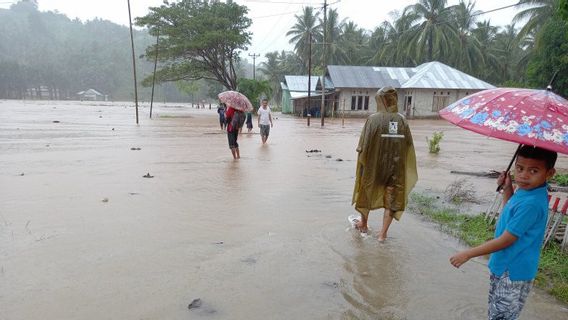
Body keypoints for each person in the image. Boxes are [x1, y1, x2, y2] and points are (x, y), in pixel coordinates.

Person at [450, 145, 557, 320]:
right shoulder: (527, 192)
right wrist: (508, 189)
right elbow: (510, 212)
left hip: (513, 269)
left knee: (501, 316)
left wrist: (468, 253)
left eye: (534, 170)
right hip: (508, 264)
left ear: (550, 173)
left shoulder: (531, 203)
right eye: (520, 168)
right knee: (498, 312)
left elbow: (507, 239)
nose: (523, 175)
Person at [351, 86, 418, 242]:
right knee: (392, 200)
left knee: (366, 193)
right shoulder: (402, 120)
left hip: (374, 168)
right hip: (395, 169)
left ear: (381, 100)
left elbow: (363, 145)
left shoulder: (373, 119)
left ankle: (364, 224)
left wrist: (363, 164)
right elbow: (408, 145)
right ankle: (382, 235)